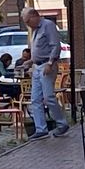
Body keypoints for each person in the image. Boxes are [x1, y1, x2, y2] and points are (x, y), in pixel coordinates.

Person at [21, 7, 69, 139]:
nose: (27, 24)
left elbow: (55, 45)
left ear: (34, 16)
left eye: (27, 21)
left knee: (48, 97)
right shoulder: (35, 30)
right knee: (35, 99)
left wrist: (50, 62)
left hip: (47, 66)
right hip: (37, 66)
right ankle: (41, 129)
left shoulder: (48, 25)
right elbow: (39, 49)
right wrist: (31, 61)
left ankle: (62, 123)